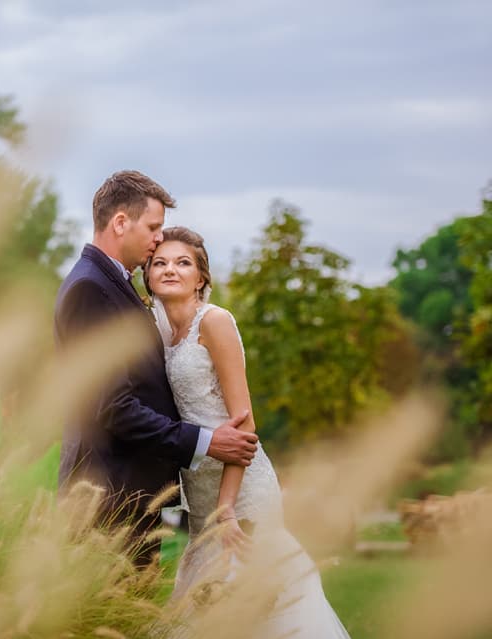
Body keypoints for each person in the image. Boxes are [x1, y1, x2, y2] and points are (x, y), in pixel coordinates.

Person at [145, 226, 350, 637]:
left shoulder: (215, 322)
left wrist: (227, 507)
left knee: (252, 606)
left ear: (201, 276)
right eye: (160, 262)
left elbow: (245, 423)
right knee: (208, 606)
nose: (170, 269)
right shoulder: (161, 331)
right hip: (200, 497)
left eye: (183, 262)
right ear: (147, 274)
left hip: (240, 492)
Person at [54, 170, 259, 565]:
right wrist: (205, 442)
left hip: (154, 500)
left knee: (164, 608)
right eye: (153, 227)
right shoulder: (89, 290)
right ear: (119, 223)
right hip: (111, 505)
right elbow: (112, 406)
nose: (157, 239)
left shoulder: (117, 286)